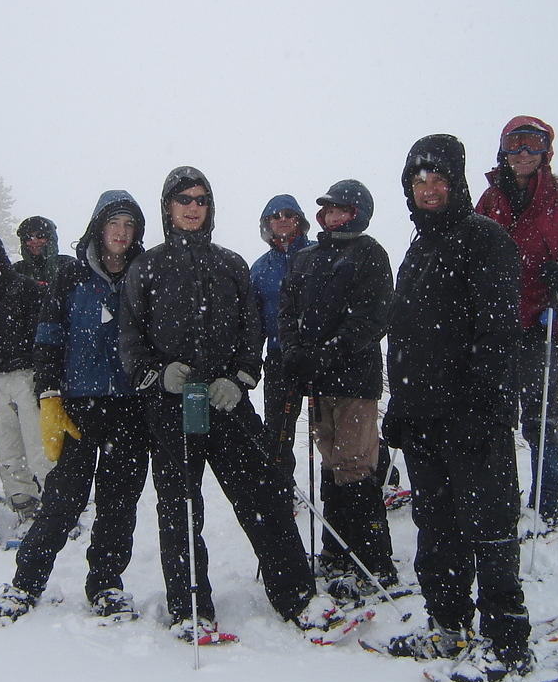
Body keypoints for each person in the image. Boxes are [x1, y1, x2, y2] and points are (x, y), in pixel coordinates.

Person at [118, 166, 355, 643]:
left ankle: (299, 600)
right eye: (182, 198)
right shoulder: (146, 267)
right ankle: (190, 610)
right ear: (168, 206)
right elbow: (130, 340)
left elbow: (252, 330)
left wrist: (241, 377)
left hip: (227, 403)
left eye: (201, 199)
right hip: (172, 407)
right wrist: (158, 374)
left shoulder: (229, 263)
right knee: (181, 510)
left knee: (265, 496)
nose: (192, 206)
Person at [379, 134, 531, 682]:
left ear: (457, 182)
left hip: (473, 419)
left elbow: (497, 334)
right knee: (435, 526)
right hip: (423, 418)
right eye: (418, 181)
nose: (428, 189)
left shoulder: (485, 241)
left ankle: (508, 643)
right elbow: (408, 338)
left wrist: (486, 407)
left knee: (489, 525)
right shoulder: (417, 249)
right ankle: (447, 623)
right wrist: (401, 405)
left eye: (438, 179)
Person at [0, 191, 154, 623]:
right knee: (62, 500)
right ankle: (26, 583)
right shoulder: (71, 277)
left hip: (132, 410)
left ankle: (107, 585)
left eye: (130, 225)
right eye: (115, 223)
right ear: (98, 226)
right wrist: (50, 394)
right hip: (79, 407)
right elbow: (48, 339)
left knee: (119, 504)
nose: (121, 233)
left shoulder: (146, 276)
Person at [476, 116, 558, 532]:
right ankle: (504, 498)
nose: (523, 153)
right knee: (496, 417)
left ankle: (546, 502)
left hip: (542, 321)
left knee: (541, 417)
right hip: (497, 324)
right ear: (503, 150)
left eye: (532, 144)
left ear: (547, 151)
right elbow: (470, 248)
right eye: (516, 144)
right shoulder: (491, 198)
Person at [278, 180, 399, 602]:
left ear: (358, 213)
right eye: (328, 210)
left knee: (354, 465)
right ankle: (336, 550)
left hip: (354, 382)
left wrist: (328, 353)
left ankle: (374, 561)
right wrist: (294, 352)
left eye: (341, 210)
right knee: (331, 463)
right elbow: (288, 310)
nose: (332, 217)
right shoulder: (307, 257)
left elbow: (373, 317)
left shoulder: (370, 254)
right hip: (317, 382)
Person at [0, 233, 51, 533]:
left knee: (38, 442)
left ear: (0, 261)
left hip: (25, 373)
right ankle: (23, 503)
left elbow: (44, 329)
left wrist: (44, 370)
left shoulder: (25, 288)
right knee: (6, 444)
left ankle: (56, 505)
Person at [249, 195, 311, 483]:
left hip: (321, 353)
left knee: (341, 422)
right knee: (277, 428)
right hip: (279, 357)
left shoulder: (319, 253)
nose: (282, 219)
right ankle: (281, 486)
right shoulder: (260, 269)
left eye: (288, 213)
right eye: (275, 216)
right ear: (267, 224)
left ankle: (371, 482)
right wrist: (249, 362)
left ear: (299, 218)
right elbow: (254, 324)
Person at [12, 216, 75, 286]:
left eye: (40, 235)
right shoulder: (16, 271)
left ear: (50, 239)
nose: (34, 241)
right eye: (28, 237)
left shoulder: (69, 265)